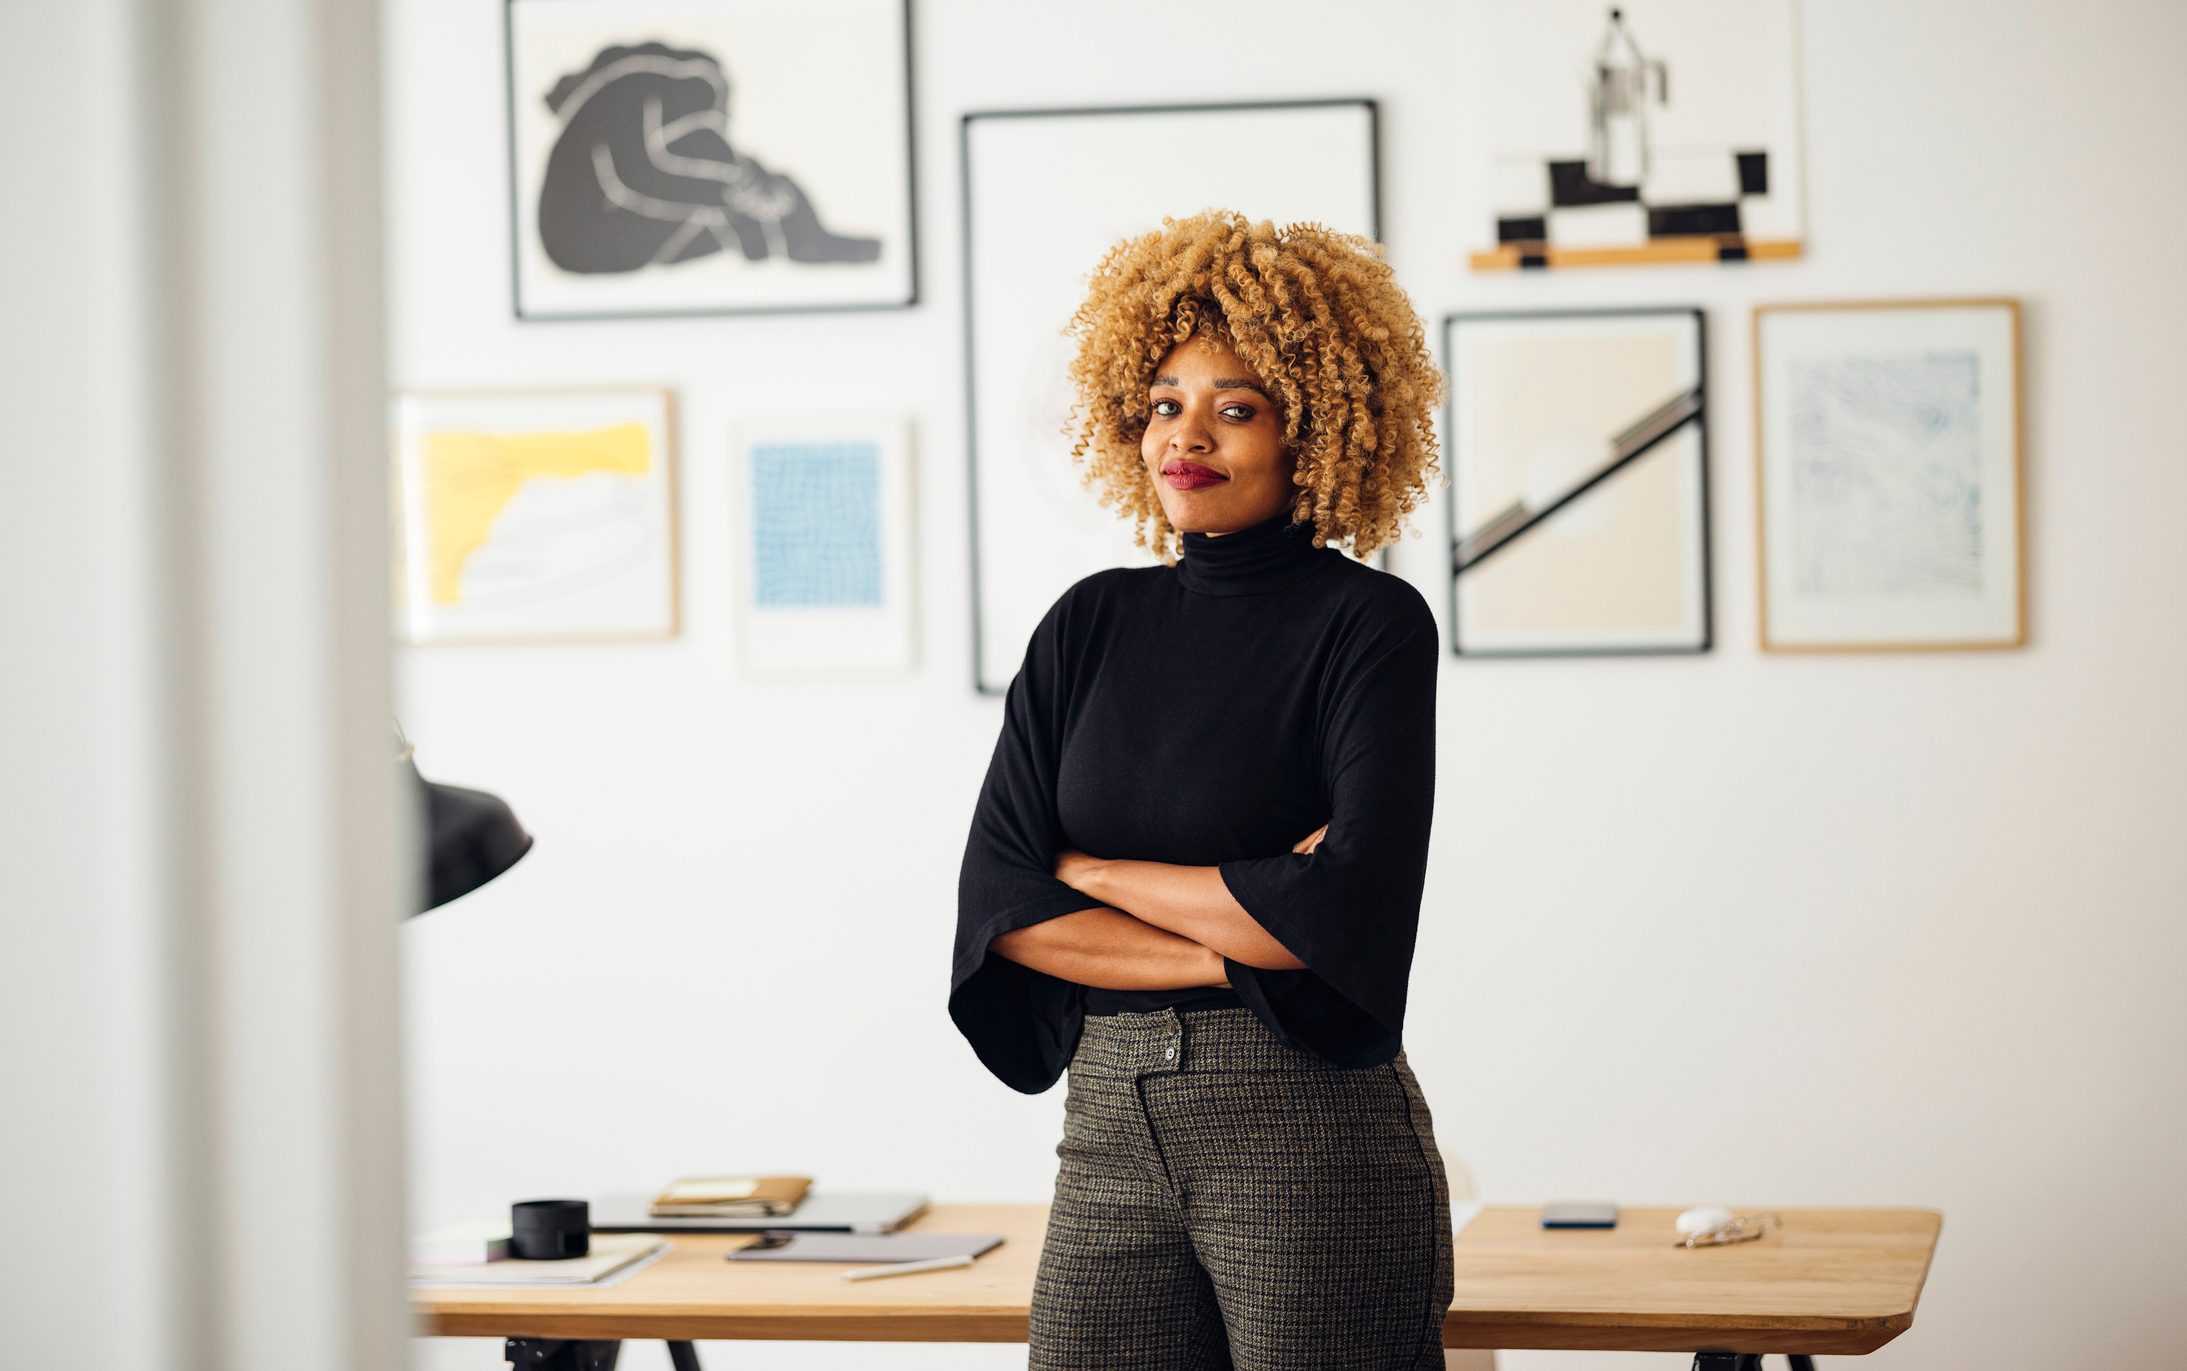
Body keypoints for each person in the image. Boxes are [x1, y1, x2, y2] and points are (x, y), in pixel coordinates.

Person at [950, 208, 1452, 1370]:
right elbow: (997, 910)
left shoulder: (1368, 625)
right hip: (1108, 1122)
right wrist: (1251, 932)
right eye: (1166, 403)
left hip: (1309, 1130)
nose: (1190, 436)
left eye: (1236, 408)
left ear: (1313, 431)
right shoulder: (1088, 625)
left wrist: (1097, 878)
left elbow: (1350, 912)